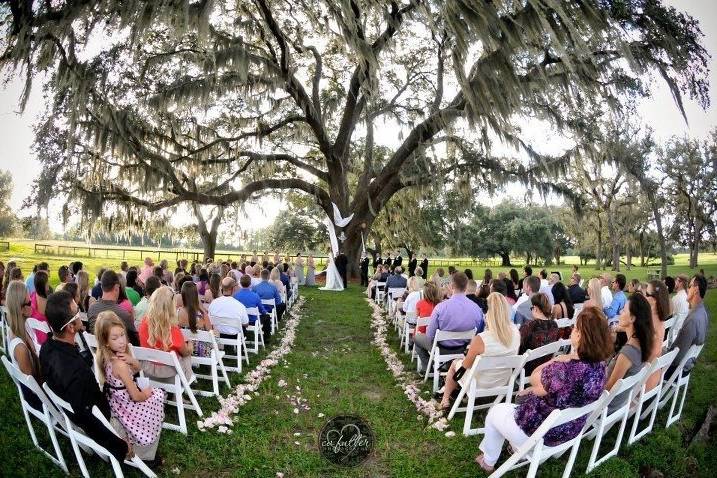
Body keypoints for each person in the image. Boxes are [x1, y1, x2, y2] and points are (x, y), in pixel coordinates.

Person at [476, 306, 612, 472]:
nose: (573, 330)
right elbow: (551, 390)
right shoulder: (601, 367)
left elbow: (534, 378)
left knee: (494, 413)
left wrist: (559, 359)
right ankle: (511, 447)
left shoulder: (564, 368)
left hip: (539, 433)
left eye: (576, 328)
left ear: (581, 335)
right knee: (521, 398)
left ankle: (488, 461)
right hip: (569, 431)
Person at [40, 290, 131, 462]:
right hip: (102, 421)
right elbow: (90, 419)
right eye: (76, 312)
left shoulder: (46, 348)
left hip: (73, 410)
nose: (79, 314)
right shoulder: (77, 373)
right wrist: (120, 446)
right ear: (70, 327)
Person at [94, 312, 165, 463]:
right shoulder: (119, 365)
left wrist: (133, 361)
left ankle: (145, 449)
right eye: (115, 338)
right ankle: (146, 453)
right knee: (157, 396)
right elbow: (136, 396)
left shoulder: (105, 357)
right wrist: (147, 392)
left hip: (117, 403)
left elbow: (137, 370)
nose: (121, 341)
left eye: (122, 335)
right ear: (105, 341)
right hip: (127, 406)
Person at [439, 292, 520, 409]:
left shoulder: (482, 339)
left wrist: (465, 356)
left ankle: (445, 399)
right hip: (503, 380)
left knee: (455, 364)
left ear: (488, 313)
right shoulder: (515, 332)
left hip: (479, 382)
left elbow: (465, 365)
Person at [413, 272, 484, 373]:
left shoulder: (441, 308)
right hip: (464, 347)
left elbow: (430, 335)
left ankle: (427, 367)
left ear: (452, 286)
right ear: (466, 286)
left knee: (417, 337)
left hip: (441, 347)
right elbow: (478, 333)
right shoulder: (476, 309)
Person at [605, 293, 654, 411]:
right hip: (620, 402)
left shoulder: (627, 353)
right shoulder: (642, 343)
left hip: (607, 407)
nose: (621, 311)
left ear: (632, 318)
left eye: (624, 310)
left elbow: (608, 390)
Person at [139, 286, 193, 380]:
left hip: (148, 371)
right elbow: (185, 353)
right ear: (171, 305)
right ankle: (188, 377)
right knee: (187, 355)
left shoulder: (144, 323)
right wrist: (190, 345)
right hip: (169, 374)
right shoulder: (172, 328)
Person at [5, 280, 43, 410]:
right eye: (29, 302)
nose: (32, 305)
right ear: (20, 309)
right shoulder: (20, 347)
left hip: (39, 381)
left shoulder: (22, 325)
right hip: (38, 398)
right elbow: (33, 387)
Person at [666, 274, 709, 378]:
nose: (687, 290)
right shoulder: (702, 312)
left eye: (689, 286)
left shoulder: (693, 319)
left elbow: (677, 355)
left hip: (677, 369)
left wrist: (663, 358)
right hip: (687, 365)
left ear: (696, 290)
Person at [88, 270, 138, 346]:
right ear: (116, 287)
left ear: (102, 286)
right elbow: (135, 341)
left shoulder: (92, 309)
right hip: (118, 355)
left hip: (97, 353)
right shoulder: (123, 315)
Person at [519, 293, 561, 375]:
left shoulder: (529, 325)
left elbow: (519, 346)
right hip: (545, 366)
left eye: (531, 308)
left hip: (527, 369)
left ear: (535, 308)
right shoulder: (554, 325)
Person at [208, 277, 249, 349]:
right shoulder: (239, 305)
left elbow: (210, 320)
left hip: (218, 334)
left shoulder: (213, 303)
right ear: (233, 289)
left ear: (222, 289)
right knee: (243, 328)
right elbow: (246, 324)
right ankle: (241, 350)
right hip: (234, 335)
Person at [644, 280, 670, 390]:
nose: (644, 297)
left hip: (645, 379)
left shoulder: (651, 323)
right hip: (655, 374)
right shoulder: (659, 318)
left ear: (654, 301)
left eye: (647, 294)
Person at [234, 274, 271, 340]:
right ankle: (266, 339)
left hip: (241, 320)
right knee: (267, 317)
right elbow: (261, 310)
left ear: (240, 283)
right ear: (250, 283)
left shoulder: (236, 295)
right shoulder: (255, 295)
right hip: (252, 320)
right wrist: (266, 313)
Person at [30, 270, 51, 345]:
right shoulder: (46, 302)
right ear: (44, 284)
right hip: (45, 336)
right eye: (48, 281)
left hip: (33, 332)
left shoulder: (32, 295)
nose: (49, 283)